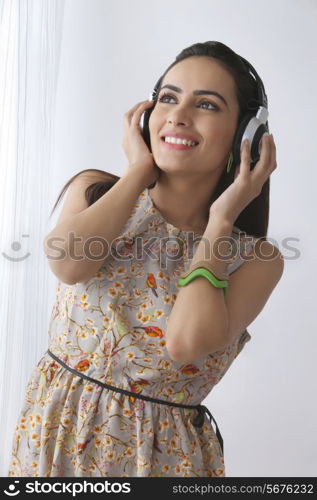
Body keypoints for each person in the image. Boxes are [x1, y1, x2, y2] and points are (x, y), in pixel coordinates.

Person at [8, 41, 284, 477]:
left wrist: (221, 220)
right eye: (168, 98)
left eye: (207, 104)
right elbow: (68, 265)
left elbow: (185, 344)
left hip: (159, 461)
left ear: (244, 134)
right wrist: (137, 172)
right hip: (54, 437)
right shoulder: (96, 190)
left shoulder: (256, 259)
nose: (178, 114)